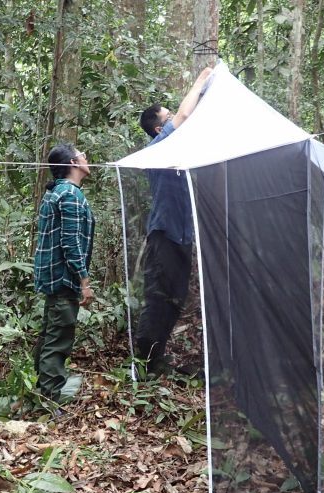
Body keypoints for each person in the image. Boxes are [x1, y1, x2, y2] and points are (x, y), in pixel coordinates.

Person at [135, 66, 214, 378]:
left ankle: (157, 359)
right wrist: (202, 79)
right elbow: (184, 115)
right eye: (167, 119)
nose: (174, 120)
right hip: (164, 236)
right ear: (159, 129)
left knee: (175, 299)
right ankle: (145, 363)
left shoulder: (180, 153)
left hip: (182, 237)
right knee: (158, 297)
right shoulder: (157, 149)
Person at [33, 143, 95, 404]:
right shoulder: (69, 194)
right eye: (83, 155)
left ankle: (42, 389)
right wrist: (84, 281)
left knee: (50, 334)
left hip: (54, 276)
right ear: (72, 163)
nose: (87, 158)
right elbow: (71, 242)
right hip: (62, 277)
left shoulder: (59, 191)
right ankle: (50, 399)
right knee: (58, 339)